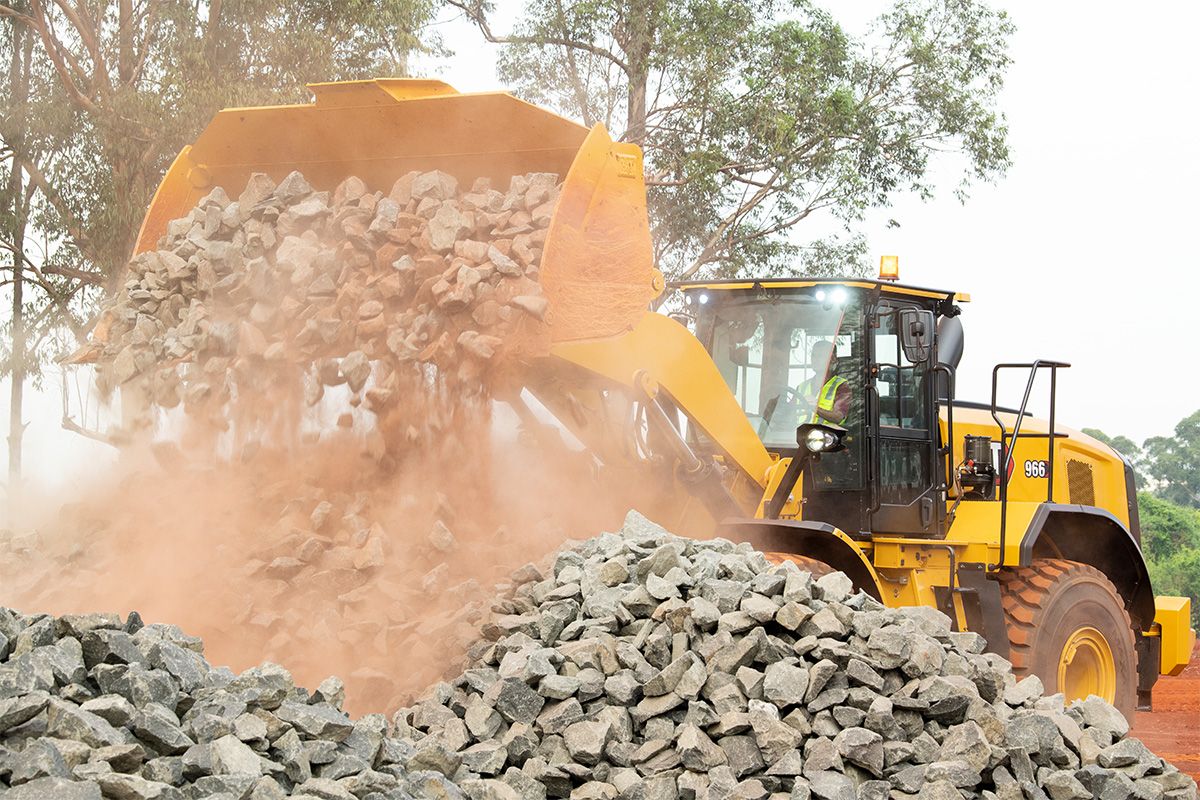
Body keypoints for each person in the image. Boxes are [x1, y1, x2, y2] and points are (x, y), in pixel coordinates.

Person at [798, 340, 851, 425]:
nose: (815, 359)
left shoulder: (841, 386)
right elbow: (789, 412)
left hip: (828, 436)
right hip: (798, 436)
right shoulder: (802, 387)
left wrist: (816, 408)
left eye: (820, 356)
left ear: (833, 359)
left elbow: (838, 417)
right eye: (813, 355)